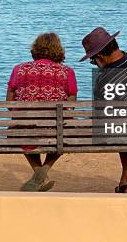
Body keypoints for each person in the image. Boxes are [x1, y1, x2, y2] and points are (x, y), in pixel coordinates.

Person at [80, 27, 127, 193]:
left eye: (93, 60)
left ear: (99, 56)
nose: (94, 64)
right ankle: (126, 180)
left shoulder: (103, 80)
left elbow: (99, 114)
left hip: (125, 129)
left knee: (121, 124)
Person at [7, 32, 77, 191]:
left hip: (24, 130)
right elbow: (71, 105)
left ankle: (38, 171)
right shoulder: (67, 72)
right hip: (55, 130)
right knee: (67, 130)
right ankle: (44, 168)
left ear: (35, 49)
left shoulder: (18, 69)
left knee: (18, 130)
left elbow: (9, 101)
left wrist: (21, 114)